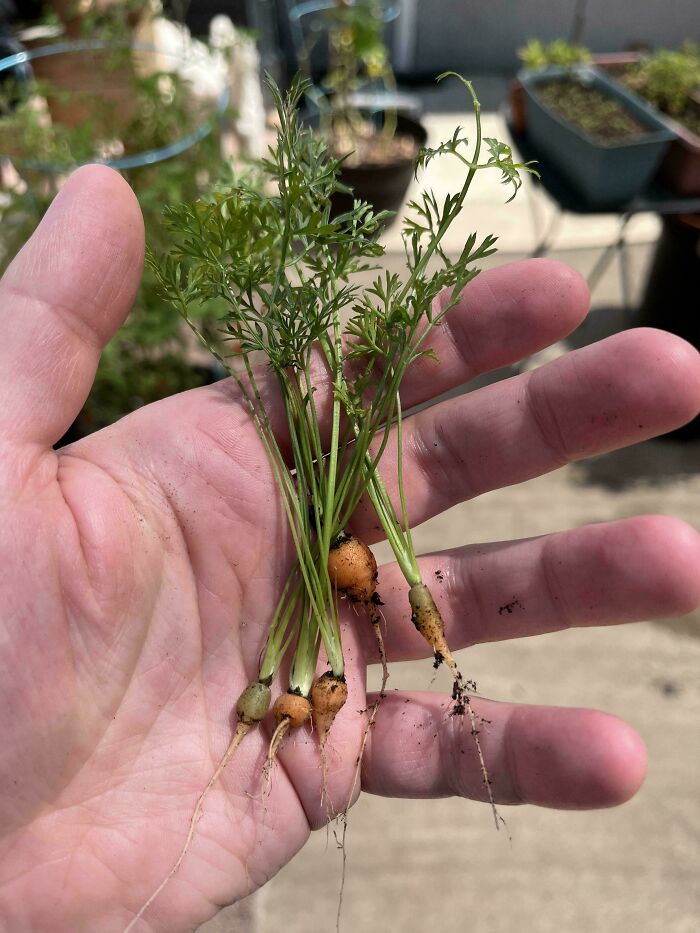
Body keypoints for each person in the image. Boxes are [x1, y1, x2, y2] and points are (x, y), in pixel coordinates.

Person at [0, 165, 699, 932]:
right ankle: (311, 688)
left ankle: (337, 669)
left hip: (320, 614)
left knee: (349, 484)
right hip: (297, 656)